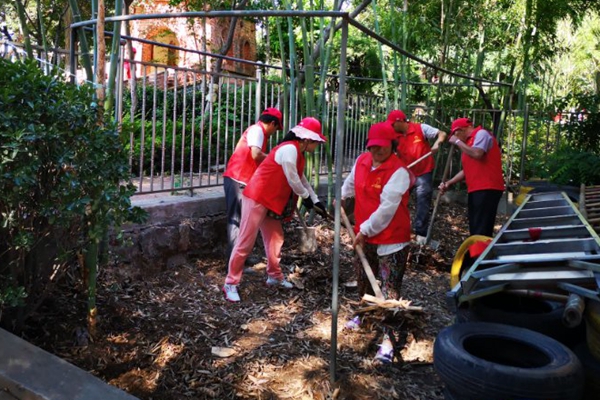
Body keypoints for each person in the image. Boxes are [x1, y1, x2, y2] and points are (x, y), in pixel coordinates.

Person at [222, 117, 328, 302]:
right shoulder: (289, 149)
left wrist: (316, 200)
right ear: (307, 139)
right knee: (245, 241)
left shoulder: (299, 153)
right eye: (316, 141)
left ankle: (274, 276)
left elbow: (301, 180)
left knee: (275, 238)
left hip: (270, 201)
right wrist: (305, 198)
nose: (317, 145)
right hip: (257, 196)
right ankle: (230, 283)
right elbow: (293, 179)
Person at [341, 121, 413, 363]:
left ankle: (388, 341)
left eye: (381, 147)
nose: (376, 152)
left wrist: (365, 230)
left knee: (390, 290)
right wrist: (341, 200)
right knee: (364, 279)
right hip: (365, 233)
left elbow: (387, 209)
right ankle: (364, 314)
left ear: (392, 145)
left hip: (392, 238)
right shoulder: (362, 161)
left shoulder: (399, 172)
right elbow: (350, 184)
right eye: (372, 147)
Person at [222, 108, 283, 266]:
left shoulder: (259, 132)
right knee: (236, 221)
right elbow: (256, 154)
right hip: (237, 179)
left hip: (242, 180)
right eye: (276, 128)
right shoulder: (257, 130)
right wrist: (276, 158)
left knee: (243, 222)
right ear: (272, 123)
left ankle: (240, 258)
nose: (275, 132)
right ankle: (234, 263)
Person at [387, 110, 447, 244]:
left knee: (423, 201)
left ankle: (421, 233)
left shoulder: (421, 128)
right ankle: (396, 229)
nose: (391, 126)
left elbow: (442, 133)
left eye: (393, 123)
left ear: (400, 121)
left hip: (423, 172)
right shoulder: (393, 136)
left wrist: (437, 143)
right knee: (397, 200)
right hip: (405, 174)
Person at [438, 117, 505, 237]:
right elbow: (467, 170)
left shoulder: (481, 134)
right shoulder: (468, 143)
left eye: (456, 133)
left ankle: (480, 253)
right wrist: (449, 182)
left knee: (481, 227)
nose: (456, 137)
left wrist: (458, 142)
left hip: (487, 187)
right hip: (476, 189)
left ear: (464, 129)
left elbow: (477, 153)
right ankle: (477, 251)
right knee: (476, 227)